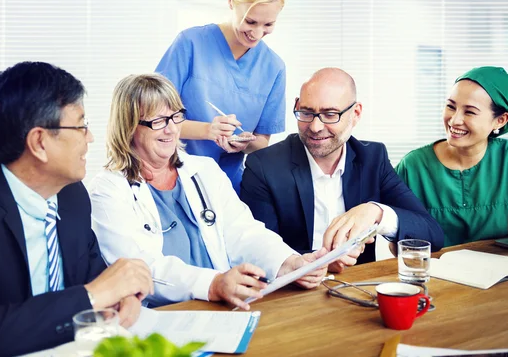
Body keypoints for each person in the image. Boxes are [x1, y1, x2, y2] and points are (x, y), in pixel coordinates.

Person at [0, 62, 154, 357]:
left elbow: (94, 276)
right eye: (81, 125)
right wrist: (94, 295)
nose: (89, 137)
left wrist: (123, 297)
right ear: (39, 142)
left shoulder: (73, 197)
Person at [89, 73, 331, 310]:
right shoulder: (109, 189)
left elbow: (244, 233)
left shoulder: (204, 170)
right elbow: (138, 269)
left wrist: (290, 263)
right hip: (160, 315)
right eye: (158, 121)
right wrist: (213, 284)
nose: (171, 130)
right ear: (129, 127)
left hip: (221, 306)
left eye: (175, 117)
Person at [240, 68, 444, 269]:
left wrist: (376, 212)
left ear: (355, 114)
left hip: (357, 288)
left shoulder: (373, 158)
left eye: (330, 114)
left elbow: (432, 234)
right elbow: (258, 250)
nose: (315, 127)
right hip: (291, 292)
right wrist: (323, 261)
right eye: (307, 113)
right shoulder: (263, 166)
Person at [155, 0, 287, 193]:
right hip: (173, 179)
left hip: (227, 188)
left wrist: (244, 142)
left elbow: (261, 144)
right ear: (231, 2)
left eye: (268, 25)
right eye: (251, 21)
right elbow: (153, 120)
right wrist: (208, 130)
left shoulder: (274, 68)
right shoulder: (190, 44)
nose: (256, 34)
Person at [396, 66, 508, 248]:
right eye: (450, 106)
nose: (454, 120)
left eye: (470, 112)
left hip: (507, 273)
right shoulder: (413, 167)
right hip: (434, 273)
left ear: (500, 120)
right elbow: (397, 244)